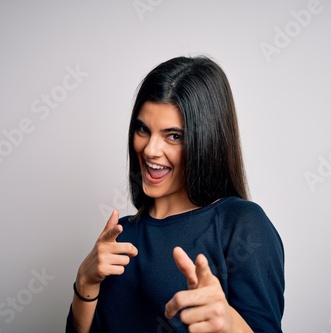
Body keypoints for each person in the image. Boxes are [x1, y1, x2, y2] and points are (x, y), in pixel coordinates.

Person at [66, 56, 284, 332]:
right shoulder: (121, 234)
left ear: (206, 141)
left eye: (174, 136)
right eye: (143, 129)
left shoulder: (241, 224)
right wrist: (85, 282)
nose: (150, 150)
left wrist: (230, 325)